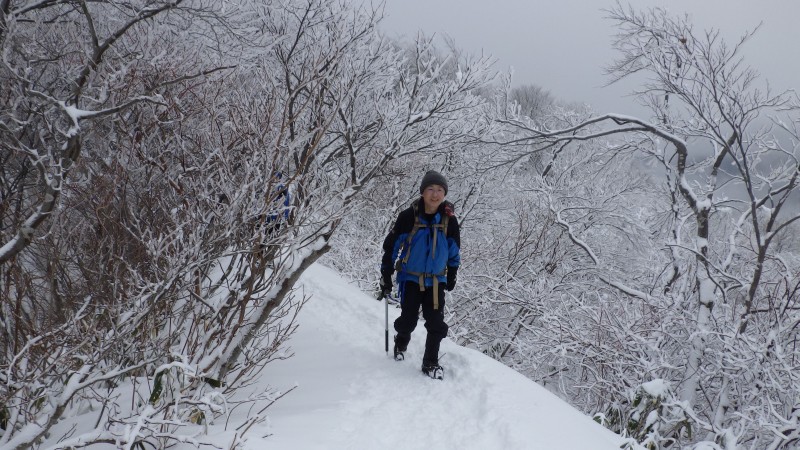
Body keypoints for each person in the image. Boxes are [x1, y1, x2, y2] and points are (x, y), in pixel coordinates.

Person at [379, 170, 460, 379]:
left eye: (440, 190)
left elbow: (454, 250)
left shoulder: (449, 221)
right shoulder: (408, 217)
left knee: (436, 323)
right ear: (423, 192)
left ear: (445, 193)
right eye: (431, 189)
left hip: (436, 281)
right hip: (410, 278)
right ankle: (401, 340)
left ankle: (430, 363)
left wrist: (452, 273)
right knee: (408, 319)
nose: (435, 194)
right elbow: (391, 247)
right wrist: (386, 276)